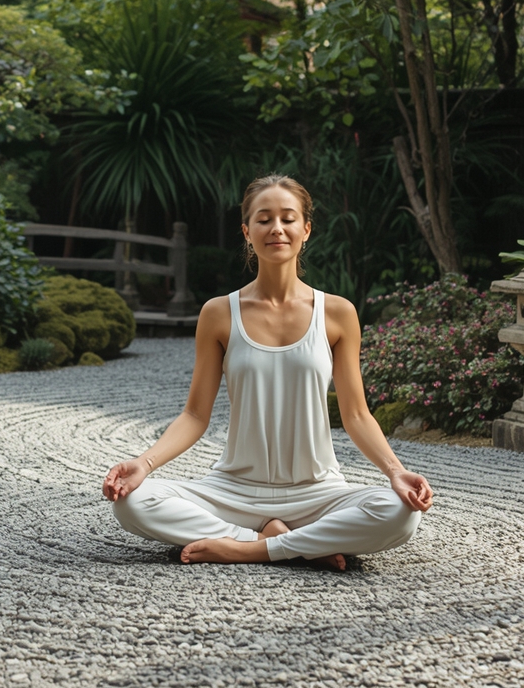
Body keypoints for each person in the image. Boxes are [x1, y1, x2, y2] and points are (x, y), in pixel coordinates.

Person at [102, 175, 433, 568]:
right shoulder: (219, 313)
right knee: (133, 503)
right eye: (264, 219)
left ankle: (246, 549)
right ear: (247, 231)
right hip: (234, 490)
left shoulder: (338, 313)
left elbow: (357, 414)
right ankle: (292, 544)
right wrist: (144, 463)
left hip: (317, 491)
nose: (277, 228)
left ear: (306, 229)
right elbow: (195, 415)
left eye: (288, 218)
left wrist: (395, 472)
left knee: (400, 512)